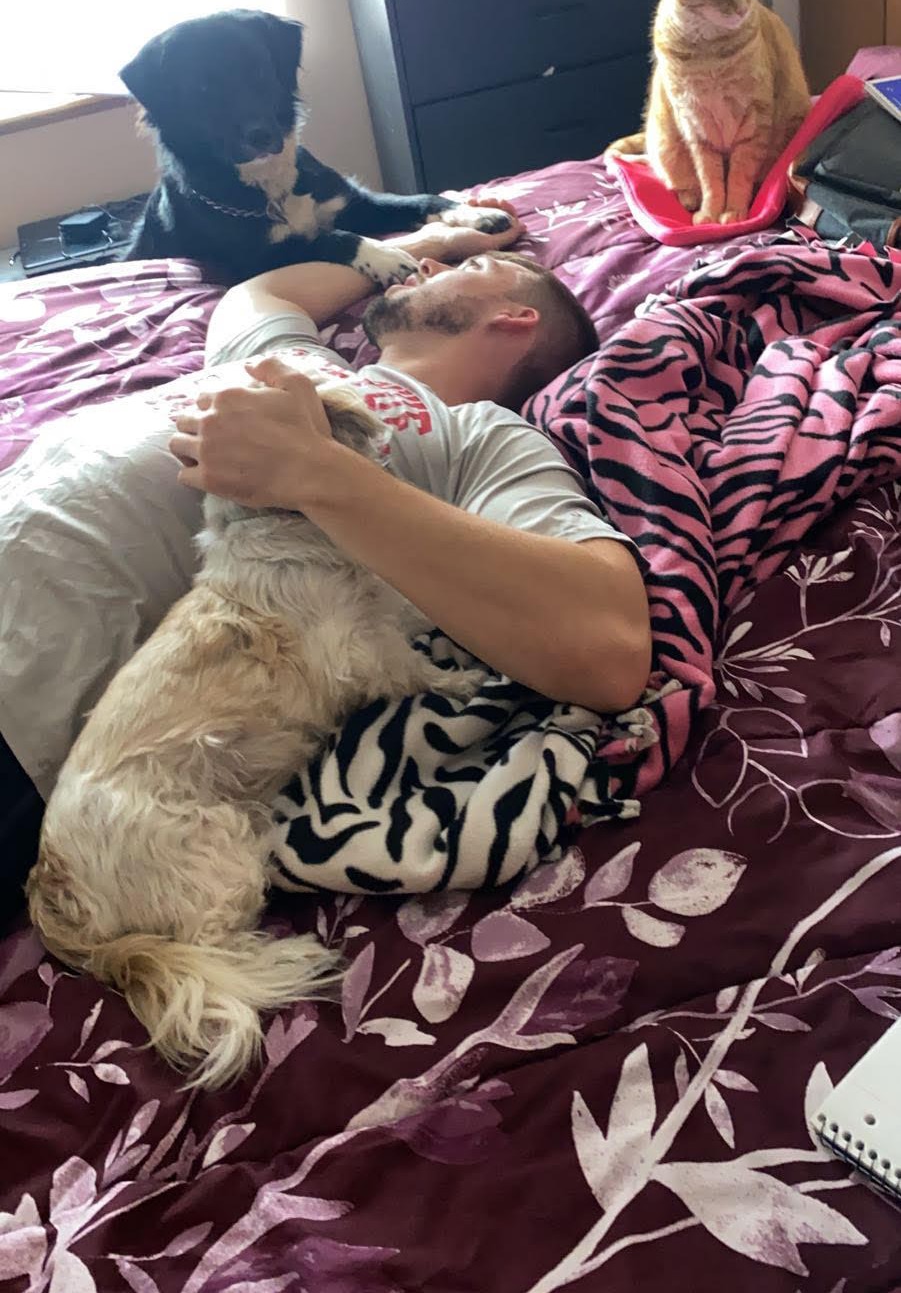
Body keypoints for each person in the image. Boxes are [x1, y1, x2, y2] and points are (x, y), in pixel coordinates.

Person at [0, 209, 650, 921]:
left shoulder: (481, 438)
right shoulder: (297, 355)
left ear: (518, 316)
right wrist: (429, 242)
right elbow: (262, 291)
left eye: (465, 272)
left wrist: (317, 472)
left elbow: (609, 647)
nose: (425, 272)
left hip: (25, 690)